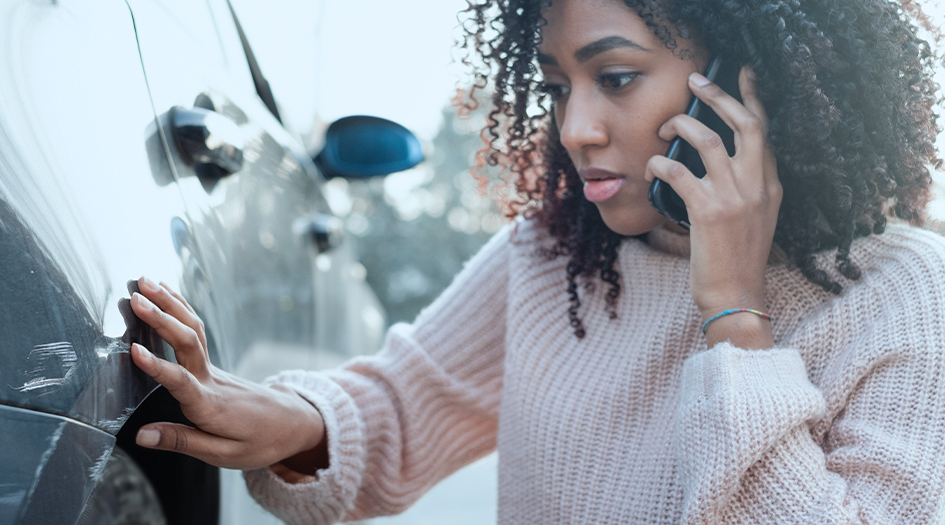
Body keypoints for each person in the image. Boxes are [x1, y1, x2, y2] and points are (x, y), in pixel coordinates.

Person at [127, 0, 945, 523]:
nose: (574, 127)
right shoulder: (555, 254)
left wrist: (731, 312)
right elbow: (402, 406)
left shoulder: (901, 292)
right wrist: (288, 422)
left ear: (748, 86)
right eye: (556, 86)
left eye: (616, 78)